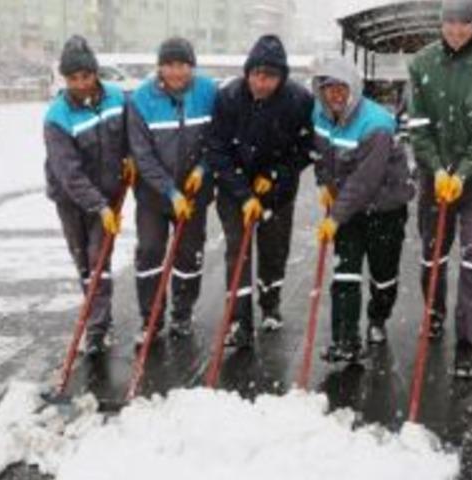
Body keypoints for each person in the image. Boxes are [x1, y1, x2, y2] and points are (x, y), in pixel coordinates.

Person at [406, 0, 472, 379]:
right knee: (432, 253)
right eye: (450, 21)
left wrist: (464, 171)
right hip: (435, 177)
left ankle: (466, 340)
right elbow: (417, 123)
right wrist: (436, 168)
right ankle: (433, 314)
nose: (456, 30)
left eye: (465, 22)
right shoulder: (421, 63)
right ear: (441, 22)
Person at [207, 34, 315, 348]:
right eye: (256, 74)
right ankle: (240, 321)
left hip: (277, 192)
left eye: (270, 76)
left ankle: (270, 304)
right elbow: (217, 150)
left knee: (273, 250)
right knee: (237, 253)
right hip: (234, 191)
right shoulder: (228, 98)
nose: (261, 82)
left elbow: (307, 147)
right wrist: (243, 194)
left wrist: (276, 174)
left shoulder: (298, 100)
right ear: (247, 72)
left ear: (282, 77)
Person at [311, 56, 415, 362]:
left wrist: (335, 217)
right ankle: (346, 340)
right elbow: (322, 154)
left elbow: (364, 182)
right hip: (350, 211)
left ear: (354, 87)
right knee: (345, 274)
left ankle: (378, 316)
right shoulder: (320, 114)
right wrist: (323, 185)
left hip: (385, 207)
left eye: (341, 87)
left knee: (383, 276)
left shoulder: (377, 124)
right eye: (328, 87)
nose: (335, 94)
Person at [43, 35, 132, 356]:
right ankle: (97, 316)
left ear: (95, 72)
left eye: (86, 75)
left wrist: (130, 157)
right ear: (65, 79)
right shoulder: (57, 116)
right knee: (84, 260)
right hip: (70, 198)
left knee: (99, 258)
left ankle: (97, 327)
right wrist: (97, 205)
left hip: (108, 193)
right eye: (72, 78)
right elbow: (68, 173)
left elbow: (130, 135)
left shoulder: (117, 99)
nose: (80, 83)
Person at [127, 37, 217, 344]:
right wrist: (170, 191)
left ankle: (182, 314)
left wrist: (203, 168)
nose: (176, 71)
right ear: (159, 67)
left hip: (195, 193)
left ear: (192, 66)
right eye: (169, 65)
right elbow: (142, 155)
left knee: (189, 256)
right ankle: (150, 317)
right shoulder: (141, 99)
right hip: (153, 195)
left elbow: (217, 138)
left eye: (182, 64)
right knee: (151, 250)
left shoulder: (208, 92)